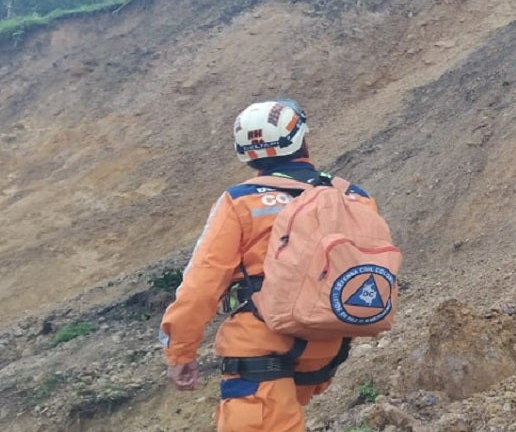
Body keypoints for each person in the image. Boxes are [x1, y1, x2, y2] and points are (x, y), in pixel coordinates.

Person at [159, 98, 379, 432]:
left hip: (263, 346)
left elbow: (201, 286)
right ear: (301, 139)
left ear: (246, 153)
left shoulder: (241, 201)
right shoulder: (354, 196)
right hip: (329, 344)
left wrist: (180, 352)